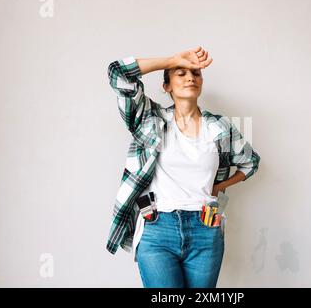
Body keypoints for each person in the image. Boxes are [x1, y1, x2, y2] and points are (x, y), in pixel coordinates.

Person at [106, 46, 261, 288]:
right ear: (166, 86)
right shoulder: (150, 119)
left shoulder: (219, 127)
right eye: (180, 73)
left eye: (196, 74)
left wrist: (219, 186)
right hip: (157, 228)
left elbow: (251, 162)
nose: (191, 77)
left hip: (206, 227)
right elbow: (118, 73)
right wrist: (171, 59)